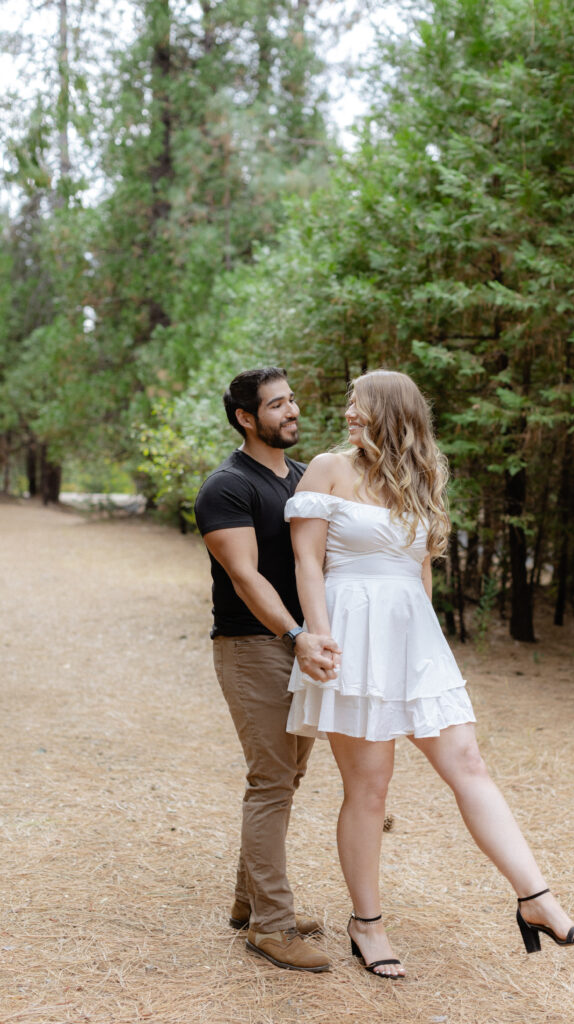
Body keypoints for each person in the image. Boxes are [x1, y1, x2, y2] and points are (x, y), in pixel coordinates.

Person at [284, 369, 574, 980]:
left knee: (468, 764)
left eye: (358, 405)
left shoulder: (420, 475)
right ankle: (366, 924)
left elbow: (421, 572)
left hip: (413, 638)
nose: (347, 414)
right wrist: (317, 638)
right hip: (351, 634)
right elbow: (307, 562)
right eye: (348, 405)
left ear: (390, 411)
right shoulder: (327, 468)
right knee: (370, 789)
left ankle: (536, 898)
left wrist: (429, 643)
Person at [194, 367, 340, 974]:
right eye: (277, 405)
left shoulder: (305, 480)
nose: (292, 411)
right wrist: (298, 635)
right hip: (253, 643)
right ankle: (272, 927)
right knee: (272, 781)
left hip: (301, 645)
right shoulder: (225, 487)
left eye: (292, 400)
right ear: (245, 418)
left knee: (287, 777)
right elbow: (246, 576)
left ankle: (249, 901)